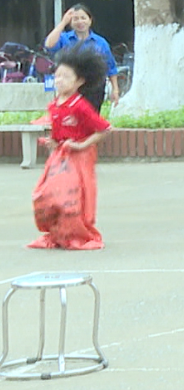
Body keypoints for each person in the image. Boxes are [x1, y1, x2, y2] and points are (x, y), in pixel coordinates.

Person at [29, 46, 111, 250]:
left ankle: (77, 234)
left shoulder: (80, 106)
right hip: (61, 156)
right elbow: (58, 133)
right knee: (47, 194)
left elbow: (104, 129)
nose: (59, 80)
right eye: (57, 76)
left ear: (79, 81)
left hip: (80, 157)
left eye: (66, 77)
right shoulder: (54, 105)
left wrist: (81, 144)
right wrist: (53, 143)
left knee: (72, 197)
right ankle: (58, 232)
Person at [43, 5, 120, 111]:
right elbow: (49, 44)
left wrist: (115, 89)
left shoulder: (100, 42)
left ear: (90, 20)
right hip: (70, 86)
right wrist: (63, 23)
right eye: (75, 19)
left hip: (94, 87)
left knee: (91, 116)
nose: (80, 22)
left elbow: (111, 67)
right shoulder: (64, 38)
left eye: (83, 18)